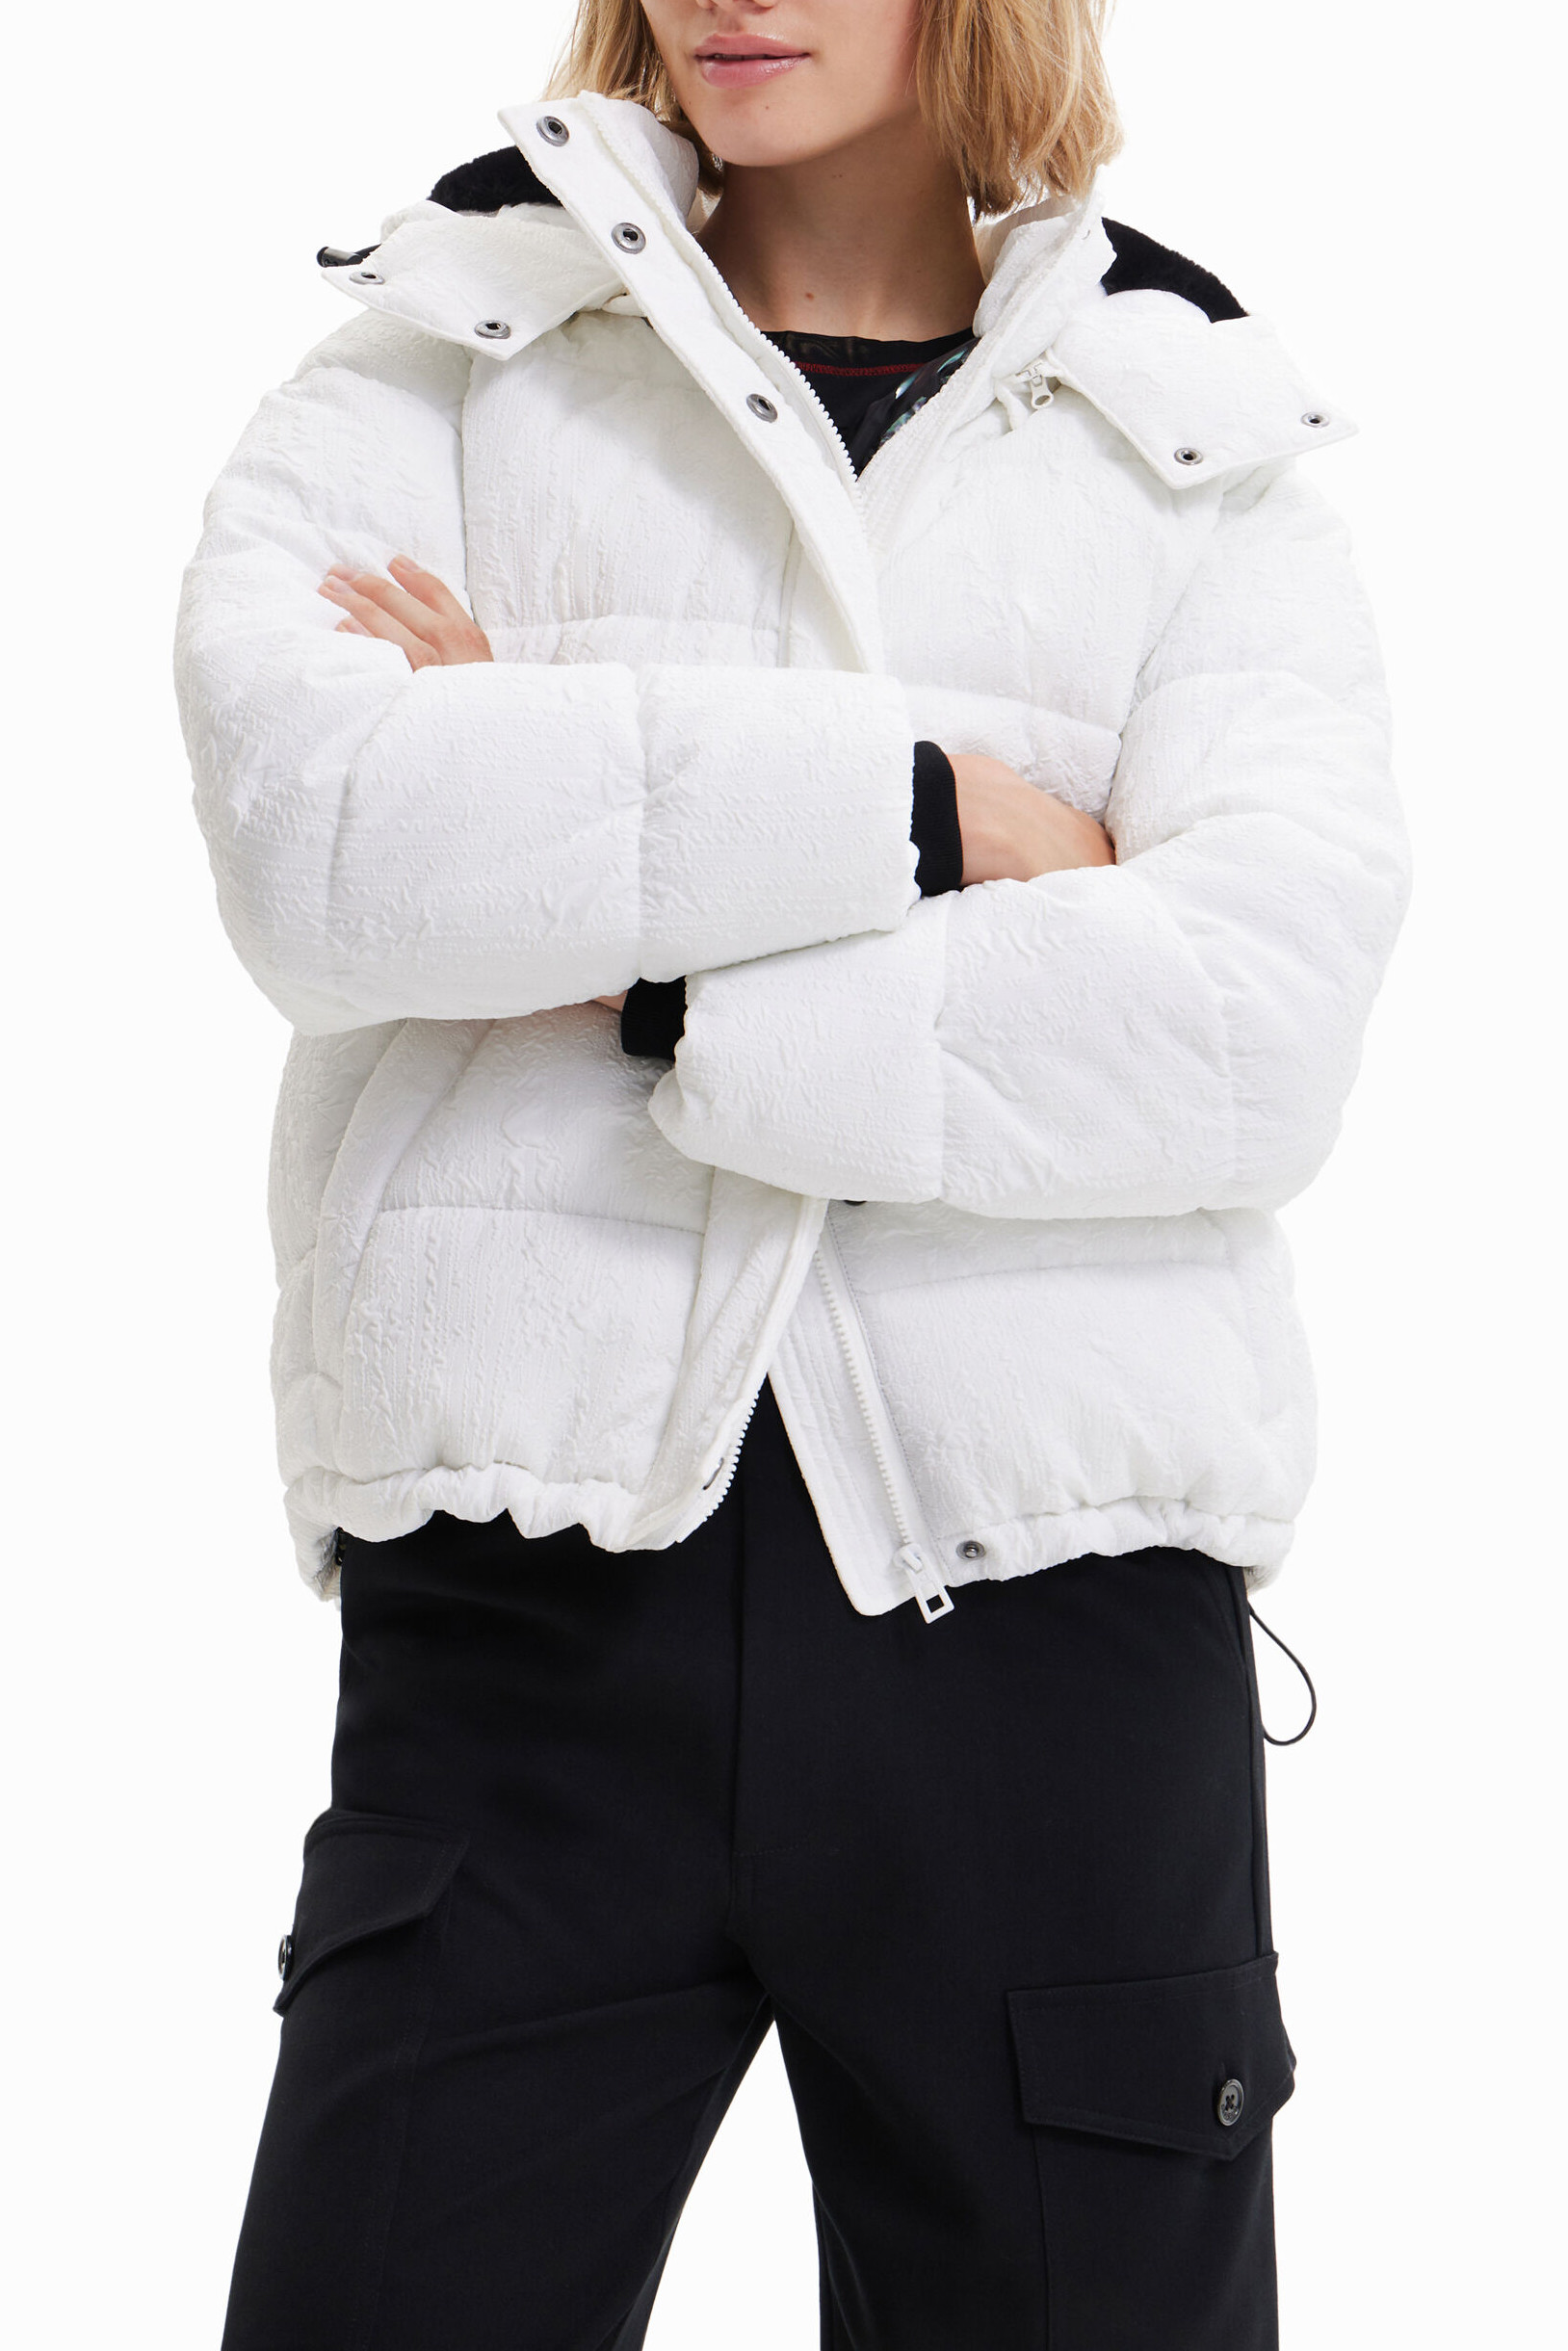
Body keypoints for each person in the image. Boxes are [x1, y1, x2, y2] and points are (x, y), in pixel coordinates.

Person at [173, 2, 1410, 2343]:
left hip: (1045, 1600)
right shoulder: (437, 360)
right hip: (529, 1590)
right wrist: (947, 816)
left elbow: (1250, 1030)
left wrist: (638, 942)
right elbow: (328, 855)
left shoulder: (1194, 447)